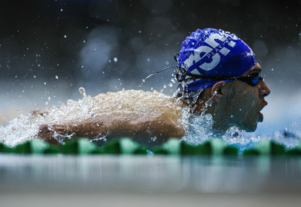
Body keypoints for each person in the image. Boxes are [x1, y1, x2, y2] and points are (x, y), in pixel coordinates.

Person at [36, 28, 271, 145]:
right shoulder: (166, 127)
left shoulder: (200, 124)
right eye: (254, 77)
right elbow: (48, 131)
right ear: (218, 91)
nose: (265, 88)